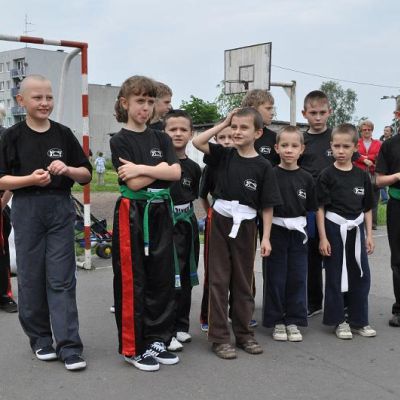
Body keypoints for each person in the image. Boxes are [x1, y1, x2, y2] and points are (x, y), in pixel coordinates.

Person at [0, 75, 92, 371]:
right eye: (37, 97)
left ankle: (69, 345)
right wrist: (29, 179)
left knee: (61, 277)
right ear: (21, 101)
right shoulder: (11, 136)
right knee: (30, 276)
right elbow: (2, 179)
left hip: (59, 208)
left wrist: (68, 169)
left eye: (48, 97)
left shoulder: (63, 134)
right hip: (26, 208)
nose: (44, 103)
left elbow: (86, 174)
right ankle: (40, 339)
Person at [192, 107, 281, 359]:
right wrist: (224, 123)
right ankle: (219, 337)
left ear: (258, 133)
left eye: (244, 127)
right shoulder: (224, 154)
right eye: (235, 127)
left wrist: (265, 237)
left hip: (247, 225)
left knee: (243, 281)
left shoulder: (264, 166)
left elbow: (267, 206)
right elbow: (197, 142)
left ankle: (244, 334)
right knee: (218, 279)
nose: (237, 132)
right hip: (220, 221)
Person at [110, 75, 181, 372]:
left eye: (151, 102)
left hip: (161, 211)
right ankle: (133, 347)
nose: (146, 107)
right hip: (133, 213)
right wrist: (159, 168)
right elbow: (134, 184)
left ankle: (157, 339)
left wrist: (144, 168)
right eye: (140, 101)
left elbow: (176, 173)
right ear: (125, 103)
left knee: (161, 278)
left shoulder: (161, 138)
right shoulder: (119, 140)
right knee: (133, 280)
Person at [316, 123, 376, 340]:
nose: (340, 151)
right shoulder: (326, 175)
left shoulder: (362, 176)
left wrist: (369, 235)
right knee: (335, 274)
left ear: (355, 148)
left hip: (356, 230)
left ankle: (358, 320)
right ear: (331, 146)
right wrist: (323, 237)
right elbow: (320, 208)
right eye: (337, 146)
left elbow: (367, 208)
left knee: (360, 274)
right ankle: (338, 320)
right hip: (334, 229)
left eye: (346, 146)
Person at [263, 126, 317, 342]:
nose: (289, 150)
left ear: (302, 149)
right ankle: (276, 320)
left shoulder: (307, 178)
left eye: (294, 146)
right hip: (276, 231)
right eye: (284, 145)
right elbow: (265, 207)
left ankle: (294, 320)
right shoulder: (270, 174)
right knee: (275, 277)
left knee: (297, 276)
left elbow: (311, 210)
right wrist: (265, 237)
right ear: (276, 148)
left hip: (299, 234)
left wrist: (313, 237)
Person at [163, 110, 201, 351]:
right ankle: (165, 328)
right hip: (166, 225)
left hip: (187, 224)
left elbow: (194, 195)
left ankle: (181, 325)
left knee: (187, 274)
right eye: (172, 129)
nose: (178, 134)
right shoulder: (160, 164)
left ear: (191, 133)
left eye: (183, 129)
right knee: (168, 275)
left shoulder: (195, 168)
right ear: (163, 133)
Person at [299, 90, 334, 318]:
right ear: (304, 114)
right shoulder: (301, 141)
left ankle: (339, 302)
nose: (318, 117)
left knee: (336, 254)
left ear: (330, 112)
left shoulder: (337, 138)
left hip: (336, 206)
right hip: (310, 207)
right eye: (313, 113)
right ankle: (314, 302)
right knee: (312, 255)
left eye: (322, 112)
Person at [199, 125, 233, 333]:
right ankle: (208, 314)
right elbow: (203, 195)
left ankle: (238, 312)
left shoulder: (247, 162)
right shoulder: (211, 164)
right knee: (215, 270)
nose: (227, 141)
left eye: (231, 137)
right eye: (222, 137)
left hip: (241, 222)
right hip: (217, 220)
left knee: (241, 271)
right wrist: (211, 214)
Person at [375, 101, 400, 327]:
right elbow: (379, 180)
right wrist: (397, 176)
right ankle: (399, 309)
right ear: (398, 114)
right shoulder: (390, 145)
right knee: (398, 260)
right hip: (397, 206)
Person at [0, 105, 18, 313]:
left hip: (1, 204)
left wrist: (3, 203)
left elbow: (14, 173)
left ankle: (4, 296)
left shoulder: (6, 137)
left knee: (1, 252)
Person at [353, 120, 381, 230]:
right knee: (359, 197)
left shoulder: (378, 143)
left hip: (373, 173)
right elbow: (354, 154)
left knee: (374, 198)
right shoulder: (357, 142)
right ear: (360, 131)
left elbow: (379, 155)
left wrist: (366, 157)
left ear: (372, 130)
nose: (367, 131)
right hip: (358, 173)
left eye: (369, 129)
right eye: (364, 129)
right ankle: (360, 221)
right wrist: (364, 159)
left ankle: (373, 223)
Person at [241, 89, 280, 166]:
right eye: (268, 108)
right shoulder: (236, 136)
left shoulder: (275, 138)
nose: (272, 113)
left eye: (272, 109)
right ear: (253, 110)